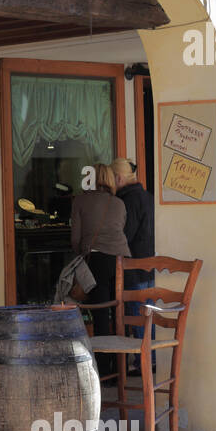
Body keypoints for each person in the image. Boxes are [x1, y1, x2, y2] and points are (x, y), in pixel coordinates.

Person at [70, 164, 130, 347]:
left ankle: (104, 368)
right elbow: (120, 229)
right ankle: (122, 365)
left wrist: (82, 252)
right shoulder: (119, 203)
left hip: (97, 261)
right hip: (123, 261)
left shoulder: (80, 201)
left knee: (100, 313)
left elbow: (75, 239)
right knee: (120, 311)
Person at [113, 157, 156, 372]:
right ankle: (151, 359)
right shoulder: (147, 197)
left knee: (138, 315)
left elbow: (125, 235)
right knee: (149, 314)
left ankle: (142, 362)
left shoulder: (126, 201)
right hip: (149, 264)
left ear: (119, 178)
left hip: (133, 266)